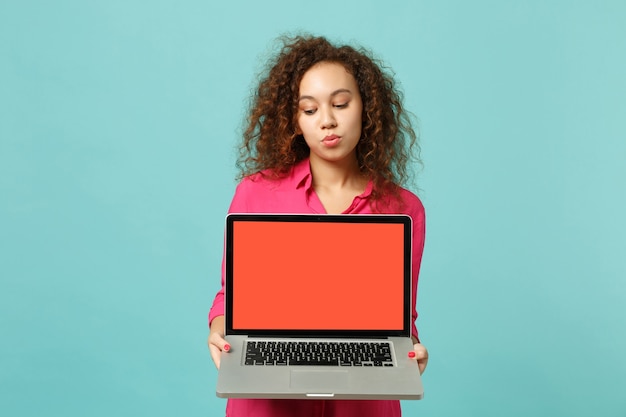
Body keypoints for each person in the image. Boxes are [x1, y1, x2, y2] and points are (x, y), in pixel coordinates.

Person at [207, 34, 428, 417]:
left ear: (366, 108)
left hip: (363, 405)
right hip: (268, 403)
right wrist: (221, 329)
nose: (327, 120)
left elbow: (399, 316)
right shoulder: (255, 193)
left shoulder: (403, 207)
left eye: (340, 104)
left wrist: (410, 350)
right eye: (309, 110)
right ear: (294, 121)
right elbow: (232, 297)